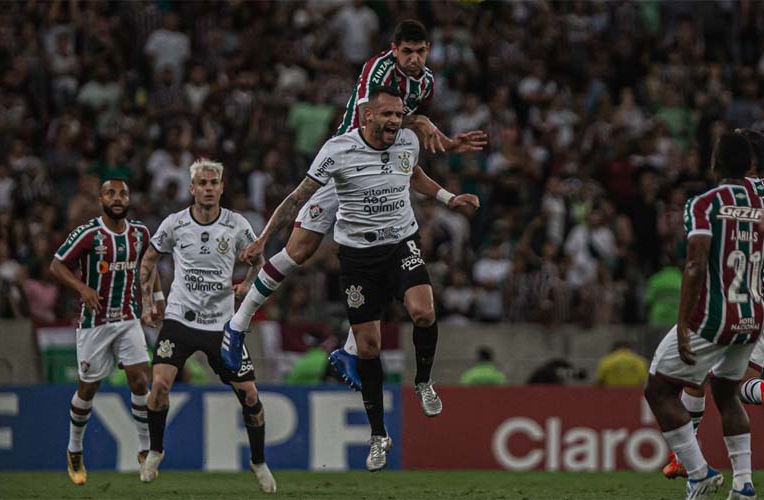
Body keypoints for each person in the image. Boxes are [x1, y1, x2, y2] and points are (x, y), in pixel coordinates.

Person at [221, 19, 487, 392]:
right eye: (407, 52)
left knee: (384, 248)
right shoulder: (378, 69)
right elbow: (371, 115)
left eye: (420, 51)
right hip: (348, 163)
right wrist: (421, 121)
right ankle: (237, 327)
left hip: (383, 168)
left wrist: (442, 141)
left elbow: (405, 134)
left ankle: (348, 351)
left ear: (428, 50)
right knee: (299, 251)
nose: (413, 59)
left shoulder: (426, 82)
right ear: (394, 50)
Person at [230, 86, 478, 471]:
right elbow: (297, 197)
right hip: (358, 257)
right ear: (367, 116)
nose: (395, 121)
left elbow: (413, 174)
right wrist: (263, 238)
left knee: (424, 312)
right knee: (368, 347)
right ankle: (378, 435)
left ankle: (423, 382)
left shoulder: (407, 141)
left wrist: (449, 198)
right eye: (388, 115)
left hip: (400, 244)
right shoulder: (338, 151)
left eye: (399, 115)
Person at [137, 159, 275, 493]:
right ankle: (155, 450)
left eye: (214, 183)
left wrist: (248, 284)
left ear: (221, 188)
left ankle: (258, 461)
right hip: (180, 319)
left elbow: (260, 260)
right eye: (202, 183)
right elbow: (149, 259)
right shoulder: (174, 224)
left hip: (222, 325)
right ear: (192, 189)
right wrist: (148, 302)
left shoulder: (236, 224)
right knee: (159, 386)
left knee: (250, 395)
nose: (208, 188)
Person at [644, 132, 764, 500]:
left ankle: (698, 474)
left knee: (658, 389)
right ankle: (743, 484)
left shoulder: (704, 204)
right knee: (728, 394)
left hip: (714, 317)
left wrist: (684, 323)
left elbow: (695, 263)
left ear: (715, 163)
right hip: (753, 314)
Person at [50, 178, 161, 485]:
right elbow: (57, 265)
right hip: (94, 323)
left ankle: (144, 450)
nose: (117, 198)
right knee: (87, 390)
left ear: (129, 199)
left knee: (140, 379)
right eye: (111, 193)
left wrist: (156, 298)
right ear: (101, 200)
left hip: (128, 318)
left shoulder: (140, 233)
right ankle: (74, 449)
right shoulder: (88, 234)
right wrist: (82, 287)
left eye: (123, 193)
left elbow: (149, 264)